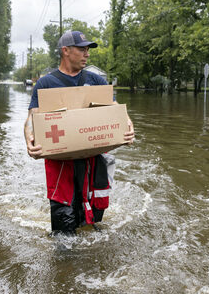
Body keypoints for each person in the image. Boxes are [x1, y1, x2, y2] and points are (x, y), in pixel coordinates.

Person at [24, 30, 135, 236]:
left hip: (92, 159)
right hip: (60, 162)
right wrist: (30, 140)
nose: (87, 54)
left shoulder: (95, 80)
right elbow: (32, 118)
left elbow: (114, 107)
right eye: (82, 49)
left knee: (92, 219)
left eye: (88, 49)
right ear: (65, 51)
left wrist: (127, 125)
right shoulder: (46, 83)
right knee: (64, 226)